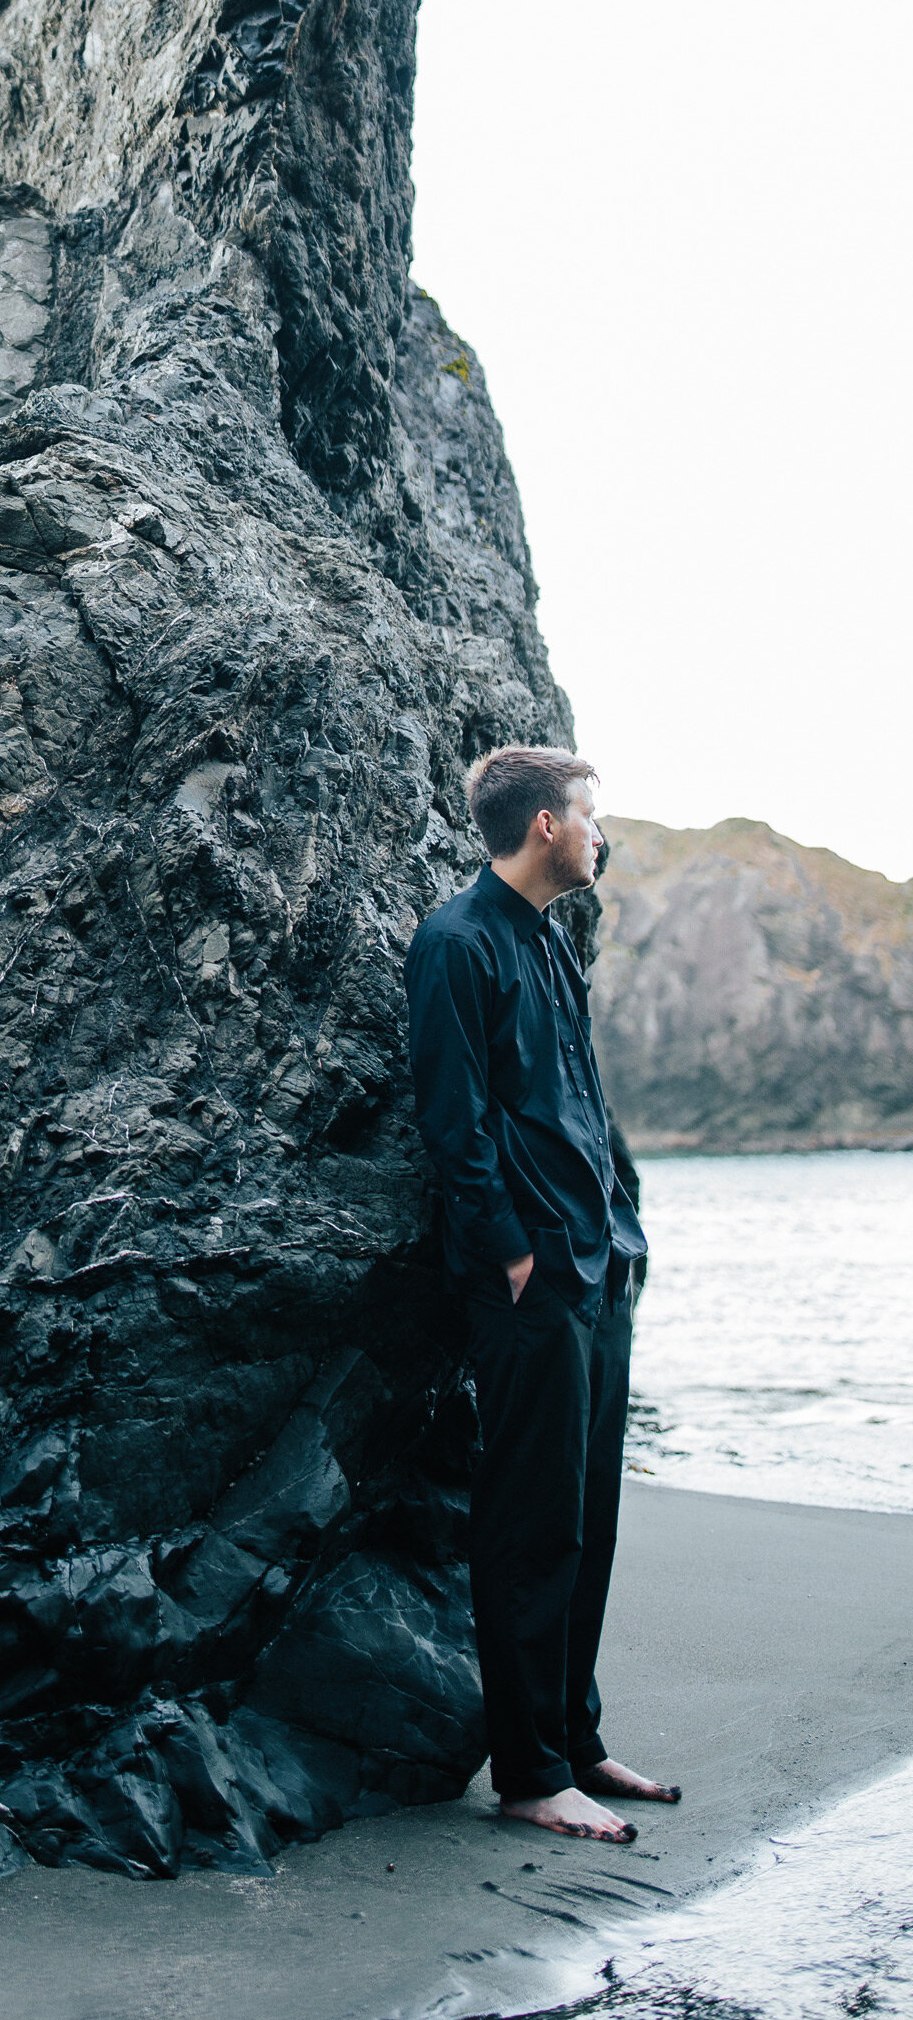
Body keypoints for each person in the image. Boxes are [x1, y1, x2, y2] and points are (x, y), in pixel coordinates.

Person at [405, 747, 680, 1845]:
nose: (597, 833)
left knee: (587, 1519)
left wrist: (617, 1227)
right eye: (587, 815)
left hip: (594, 1265)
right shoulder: (454, 942)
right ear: (542, 828)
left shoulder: (550, 941)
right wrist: (508, 1253)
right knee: (528, 1528)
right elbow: (452, 1120)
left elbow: (573, 1100)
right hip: (525, 1282)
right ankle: (527, 1774)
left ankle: (573, 1737)